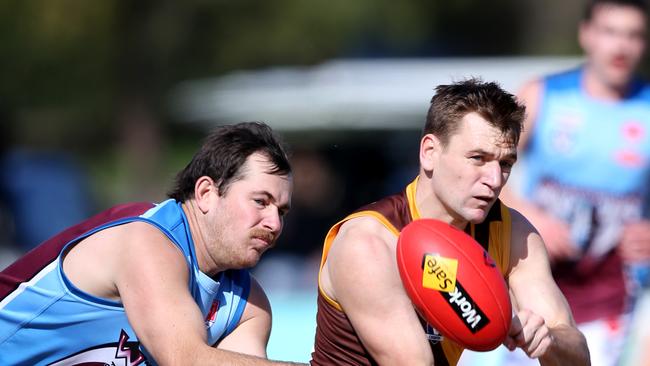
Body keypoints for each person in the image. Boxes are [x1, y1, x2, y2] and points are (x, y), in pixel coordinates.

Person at [310, 79, 590, 366]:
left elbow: (578, 357)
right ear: (429, 152)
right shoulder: (369, 242)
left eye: (505, 164)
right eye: (478, 158)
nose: (494, 180)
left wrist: (548, 340)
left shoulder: (512, 232)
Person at [0, 122, 305, 365]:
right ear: (206, 193)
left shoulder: (249, 304)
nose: (274, 224)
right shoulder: (146, 240)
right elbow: (186, 360)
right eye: (260, 201)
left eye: (281, 211)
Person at [496, 1, 650, 365]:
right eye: (611, 32)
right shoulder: (542, 95)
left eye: (634, 35)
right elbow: (478, 169)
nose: (621, 46)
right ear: (587, 35)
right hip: (531, 294)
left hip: (617, 300)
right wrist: (531, 217)